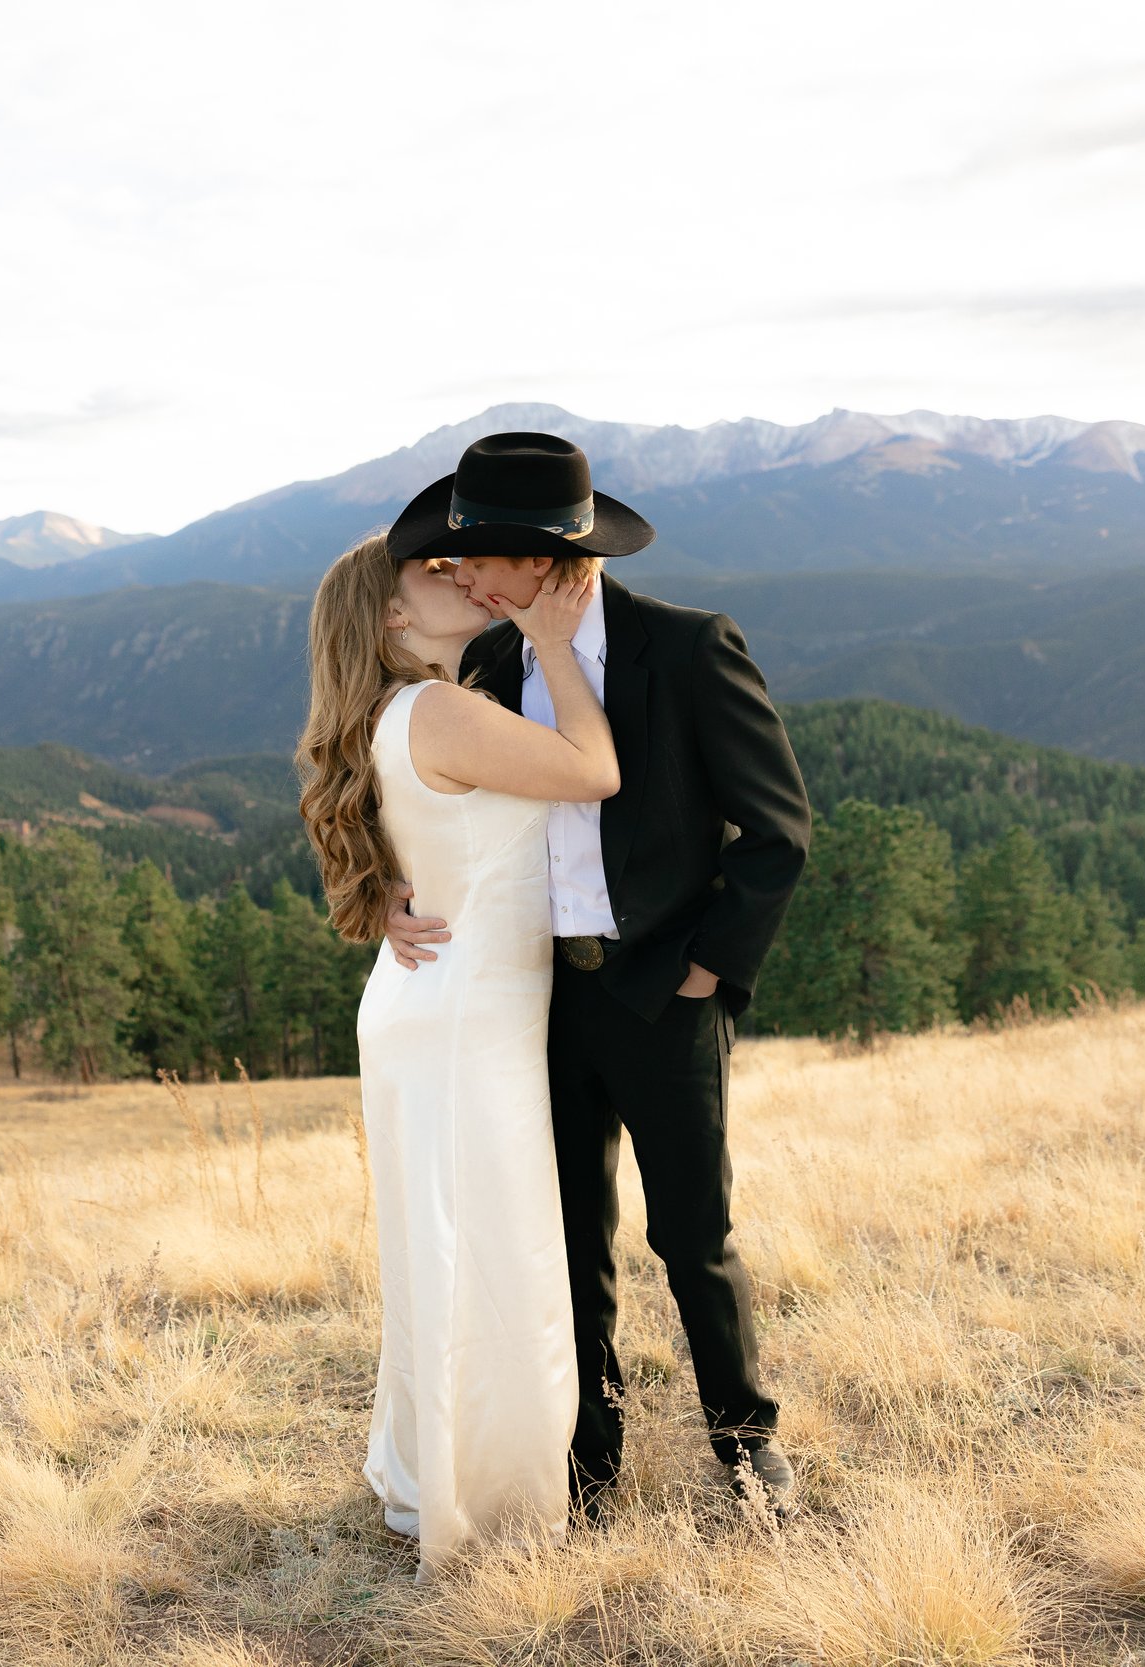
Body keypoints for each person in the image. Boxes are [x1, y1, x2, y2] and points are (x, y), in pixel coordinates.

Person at [380, 431, 813, 1522]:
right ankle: (590, 1458)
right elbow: (435, 793)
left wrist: (707, 970)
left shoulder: (686, 647)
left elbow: (776, 832)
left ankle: (743, 1439)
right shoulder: (487, 666)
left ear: (544, 559)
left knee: (691, 1234)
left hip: (664, 992)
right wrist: (393, 882)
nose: (463, 576)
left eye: (477, 557)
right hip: (533, 999)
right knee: (565, 1238)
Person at [295, 530, 617, 1567]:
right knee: (493, 1256)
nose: (457, 577)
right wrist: (556, 644)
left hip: (429, 1002)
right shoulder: (435, 708)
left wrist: (394, 887)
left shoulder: (399, 712)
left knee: (443, 1251)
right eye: (430, 575)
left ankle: (438, 1470)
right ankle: (492, 1499)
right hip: (466, 1018)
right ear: (389, 618)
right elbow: (592, 770)